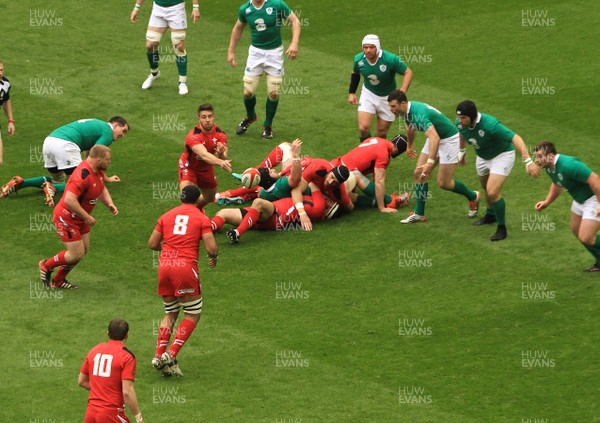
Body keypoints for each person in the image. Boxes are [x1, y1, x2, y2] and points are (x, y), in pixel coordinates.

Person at [148, 184, 219, 376]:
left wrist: (169, 251)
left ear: (181, 198)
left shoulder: (166, 215)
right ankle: (171, 354)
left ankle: (158, 355)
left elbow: (152, 243)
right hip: (185, 268)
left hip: (165, 266)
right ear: (197, 200)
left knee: (170, 312)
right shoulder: (201, 217)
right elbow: (211, 247)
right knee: (192, 314)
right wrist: (213, 257)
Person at [387, 90, 480, 224]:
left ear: (403, 103)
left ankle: (473, 196)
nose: (391, 110)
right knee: (419, 173)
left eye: (393, 106)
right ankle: (419, 214)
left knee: (444, 183)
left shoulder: (418, 113)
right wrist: (409, 146)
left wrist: (430, 162)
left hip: (449, 141)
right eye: (390, 106)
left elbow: (434, 137)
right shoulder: (405, 111)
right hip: (435, 138)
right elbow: (410, 128)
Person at [456, 100, 541, 241]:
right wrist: (462, 150)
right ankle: (490, 215)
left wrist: (527, 161)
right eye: (459, 117)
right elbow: (462, 132)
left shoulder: (490, 125)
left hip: (502, 155)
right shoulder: (461, 123)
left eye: (463, 118)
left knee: (492, 191)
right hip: (482, 157)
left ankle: (502, 228)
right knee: (485, 187)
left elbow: (516, 138)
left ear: (472, 116)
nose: (460, 121)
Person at [38, 145, 119, 289]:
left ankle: (58, 280)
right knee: (76, 253)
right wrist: (87, 216)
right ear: (98, 159)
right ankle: (46, 265)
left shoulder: (98, 171)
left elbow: (102, 187)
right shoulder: (81, 176)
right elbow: (69, 200)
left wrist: (110, 204)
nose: (109, 162)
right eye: (108, 159)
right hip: (66, 217)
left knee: (83, 250)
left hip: (80, 218)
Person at [0, 117, 128, 206]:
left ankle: (21, 183)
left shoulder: (97, 124)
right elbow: (97, 155)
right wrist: (104, 178)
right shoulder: (107, 131)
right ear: (115, 125)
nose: (123, 135)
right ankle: (52, 188)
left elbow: (91, 151)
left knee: (58, 179)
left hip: (49, 142)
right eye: (123, 131)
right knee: (83, 185)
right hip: (65, 145)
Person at [227, 0, 301, 139]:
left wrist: (294, 43)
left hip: (275, 53)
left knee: (273, 93)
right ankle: (251, 116)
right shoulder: (245, 9)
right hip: (256, 53)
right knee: (248, 92)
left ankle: (267, 125)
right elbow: (238, 28)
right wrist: (231, 51)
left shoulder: (277, 4)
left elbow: (295, 21)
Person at [533, 141, 600, 272]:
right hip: (579, 200)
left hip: (593, 199)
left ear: (551, 155)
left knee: (586, 237)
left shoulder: (569, 165)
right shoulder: (549, 166)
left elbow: (594, 179)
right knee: (576, 231)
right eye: (536, 156)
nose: (537, 160)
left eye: (540, 156)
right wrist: (547, 202)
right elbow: (557, 183)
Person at [78, 317, 144, 423]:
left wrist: (100, 391)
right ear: (127, 335)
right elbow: (127, 392)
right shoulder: (126, 356)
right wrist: (138, 418)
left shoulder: (94, 350)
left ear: (107, 334)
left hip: (90, 413)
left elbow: (81, 381)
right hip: (111, 414)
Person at [349, 35, 413, 142]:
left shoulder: (390, 59)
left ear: (377, 47)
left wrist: (402, 91)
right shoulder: (359, 59)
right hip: (369, 94)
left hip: (388, 99)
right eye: (365, 47)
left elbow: (408, 72)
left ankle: (377, 154)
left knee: (381, 133)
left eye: (371, 47)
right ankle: (366, 152)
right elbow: (355, 73)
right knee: (363, 128)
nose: (368, 50)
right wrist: (352, 92)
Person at [217, 183, 327, 244]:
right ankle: (208, 229)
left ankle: (237, 233)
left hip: (277, 215)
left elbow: (313, 184)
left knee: (258, 202)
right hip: (260, 214)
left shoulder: (319, 206)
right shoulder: (312, 202)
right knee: (223, 214)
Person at [130, 0, 200, 95]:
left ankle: (182, 82)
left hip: (176, 9)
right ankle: (154, 73)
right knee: (150, 45)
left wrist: (195, 7)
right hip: (158, 9)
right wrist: (136, 8)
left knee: (179, 45)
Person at [331, 135, 408, 212]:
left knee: (348, 196)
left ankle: (377, 202)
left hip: (333, 168)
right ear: (399, 150)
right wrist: (382, 208)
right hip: (341, 177)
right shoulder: (383, 153)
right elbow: (379, 181)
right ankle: (390, 201)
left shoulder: (377, 139)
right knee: (357, 176)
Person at [179, 103, 232, 210]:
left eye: (210, 116)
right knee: (188, 197)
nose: (207, 120)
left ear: (214, 117)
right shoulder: (193, 136)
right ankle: (191, 216)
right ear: (198, 119)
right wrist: (220, 162)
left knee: (210, 197)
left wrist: (221, 154)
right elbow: (203, 155)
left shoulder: (220, 134)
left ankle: (197, 208)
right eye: (204, 117)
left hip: (206, 168)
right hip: (189, 168)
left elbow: (225, 156)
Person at [291, 159, 351, 231]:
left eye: (335, 182)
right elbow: (295, 189)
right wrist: (302, 213)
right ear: (330, 171)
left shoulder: (339, 193)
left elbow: (350, 207)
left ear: (339, 184)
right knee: (292, 181)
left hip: (309, 186)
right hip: (301, 167)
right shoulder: (318, 167)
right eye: (332, 177)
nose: (330, 182)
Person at [0, 59, 15, 165]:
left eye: (1, 70)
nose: (0, 73)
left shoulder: (5, 83)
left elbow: (6, 100)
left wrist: (10, 120)